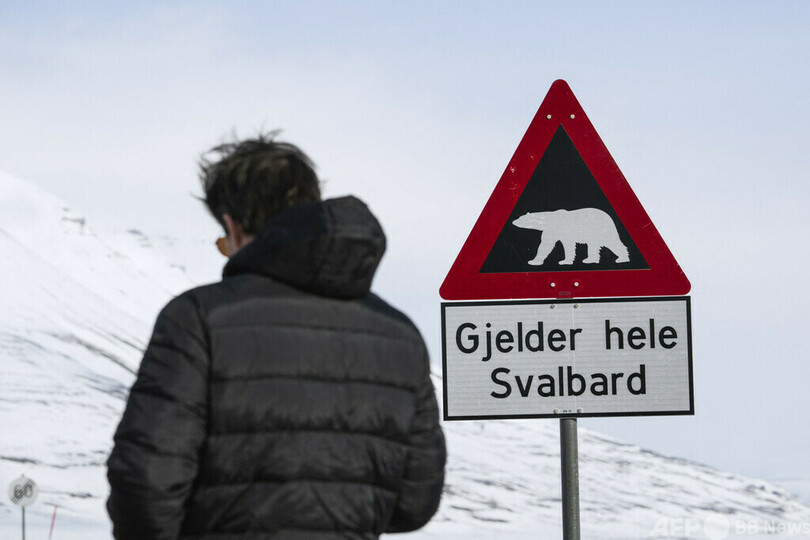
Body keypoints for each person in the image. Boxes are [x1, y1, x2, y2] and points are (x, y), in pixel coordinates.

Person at [106, 133, 446, 539]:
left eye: (222, 242)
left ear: (233, 225)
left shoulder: (198, 318)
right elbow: (415, 503)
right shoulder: (400, 336)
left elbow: (145, 484)